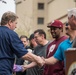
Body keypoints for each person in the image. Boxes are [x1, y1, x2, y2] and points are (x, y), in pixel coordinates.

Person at [42, 8, 76, 74]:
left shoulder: (63, 40)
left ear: (73, 17)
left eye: (68, 23)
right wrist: (42, 60)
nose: (66, 25)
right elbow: (54, 59)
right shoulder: (63, 44)